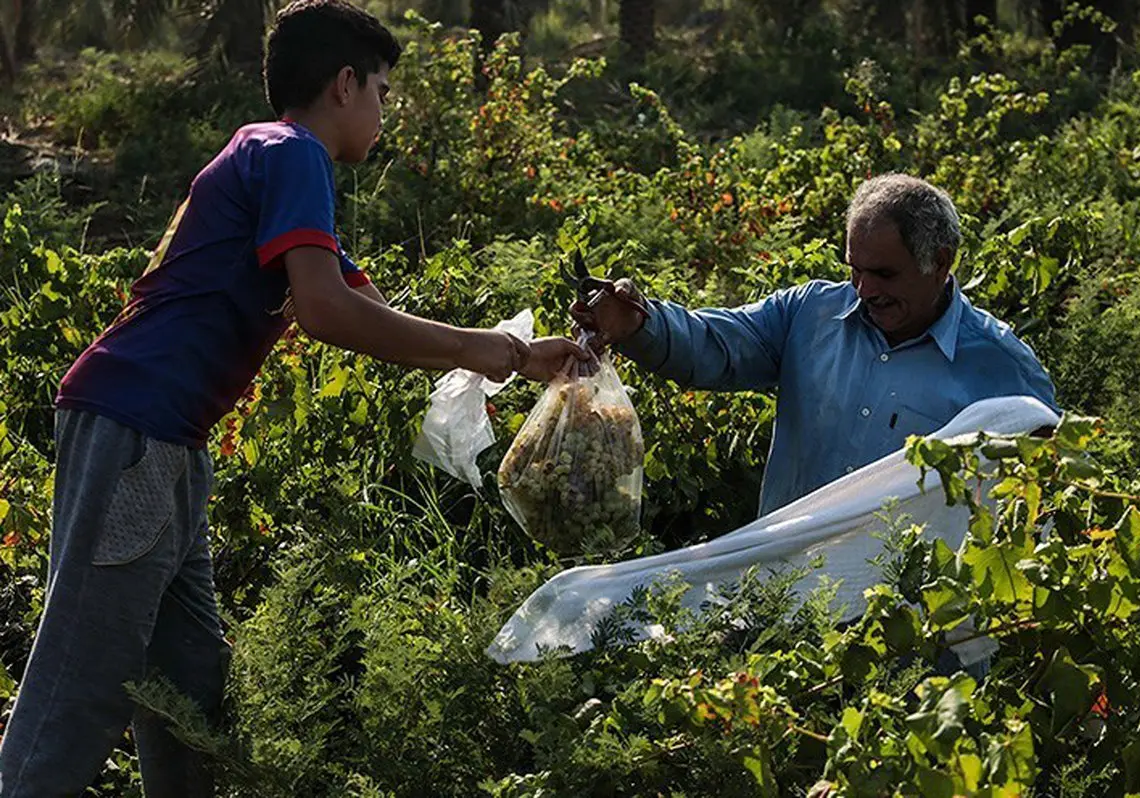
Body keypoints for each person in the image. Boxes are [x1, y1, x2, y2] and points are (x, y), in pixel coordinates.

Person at [0, 1, 587, 795]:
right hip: (134, 428)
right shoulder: (291, 154)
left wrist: (518, 355)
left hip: (167, 441)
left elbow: (373, 313)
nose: (385, 113)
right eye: (381, 91)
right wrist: (473, 349)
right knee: (85, 679)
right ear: (344, 84)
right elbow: (327, 313)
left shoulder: (278, 168)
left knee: (188, 687)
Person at [573, 173, 1058, 519]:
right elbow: (714, 345)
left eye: (884, 273)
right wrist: (641, 323)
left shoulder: (1000, 368)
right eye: (855, 268)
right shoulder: (810, 315)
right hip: (784, 587)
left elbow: (1041, 501)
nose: (864, 289)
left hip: (909, 626)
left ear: (942, 262)